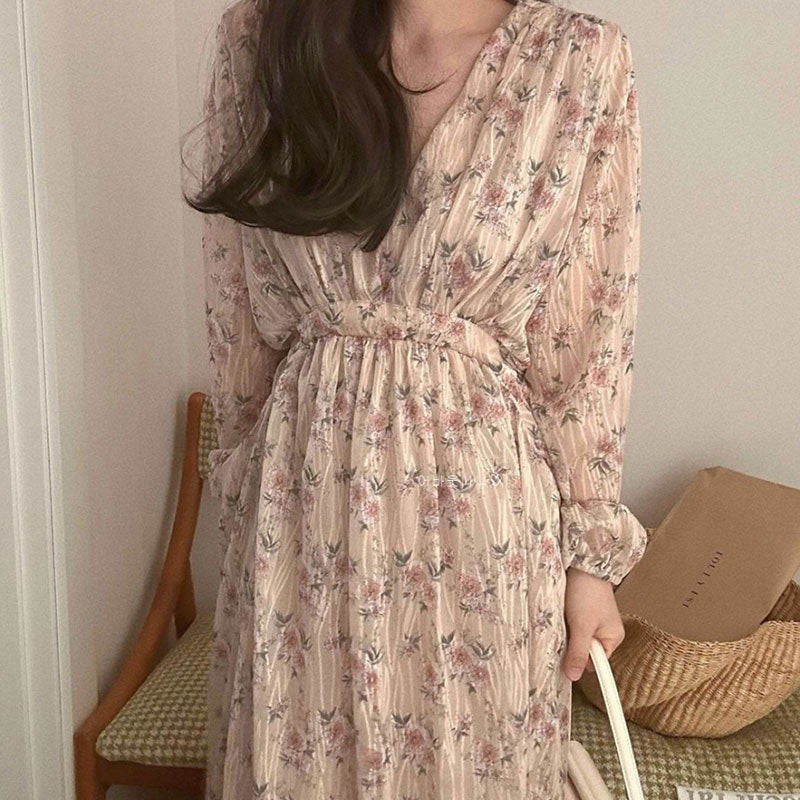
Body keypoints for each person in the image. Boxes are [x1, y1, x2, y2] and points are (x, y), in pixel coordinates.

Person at [181, 0, 648, 797]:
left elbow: (589, 341)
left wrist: (590, 560)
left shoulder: (579, 60)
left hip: (486, 532)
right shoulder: (261, 39)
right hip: (300, 512)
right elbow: (237, 319)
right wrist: (241, 507)